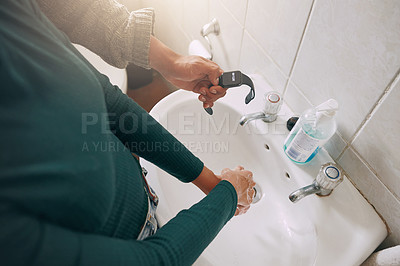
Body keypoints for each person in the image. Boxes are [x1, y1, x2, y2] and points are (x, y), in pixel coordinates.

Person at [0, 0, 256, 265]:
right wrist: (227, 195)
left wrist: (206, 180)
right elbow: (151, 260)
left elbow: (111, 105)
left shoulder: (12, 15)